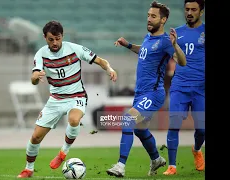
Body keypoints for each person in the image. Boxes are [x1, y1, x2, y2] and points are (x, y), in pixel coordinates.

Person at [17, 20, 118, 178]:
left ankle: (63, 153)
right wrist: (35, 77)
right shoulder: (41, 54)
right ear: (45, 38)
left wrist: (109, 69)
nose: (55, 42)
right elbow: (34, 78)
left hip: (76, 96)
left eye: (58, 38)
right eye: (51, 39)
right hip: (55, 99)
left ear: (62, 36)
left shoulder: (74, 49)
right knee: (36, 136)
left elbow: (100, 60)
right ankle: (28, 168)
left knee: (74, 120)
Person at [106, 1, 186, 177]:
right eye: (148, 15)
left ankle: (120, 165)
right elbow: (145, 51)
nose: (149, 19)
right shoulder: (149, 37)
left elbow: (182, 61)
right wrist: (128, 45)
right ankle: (157, 159)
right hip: (141, 92)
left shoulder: (166, 41)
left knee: (128, 119)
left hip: (154, 92)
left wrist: (175, 45)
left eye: (154, 16)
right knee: (140, 129)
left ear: (163, 20)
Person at [163, 0, 205, 175]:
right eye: (187, 9)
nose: (189, 12)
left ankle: (196, 149)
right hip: (180, 86)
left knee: (202, 129)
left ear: (201, 12)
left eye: (193, 9)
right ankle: (172, 166)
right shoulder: (176, 33)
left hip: (201, 88)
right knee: (174, 124)